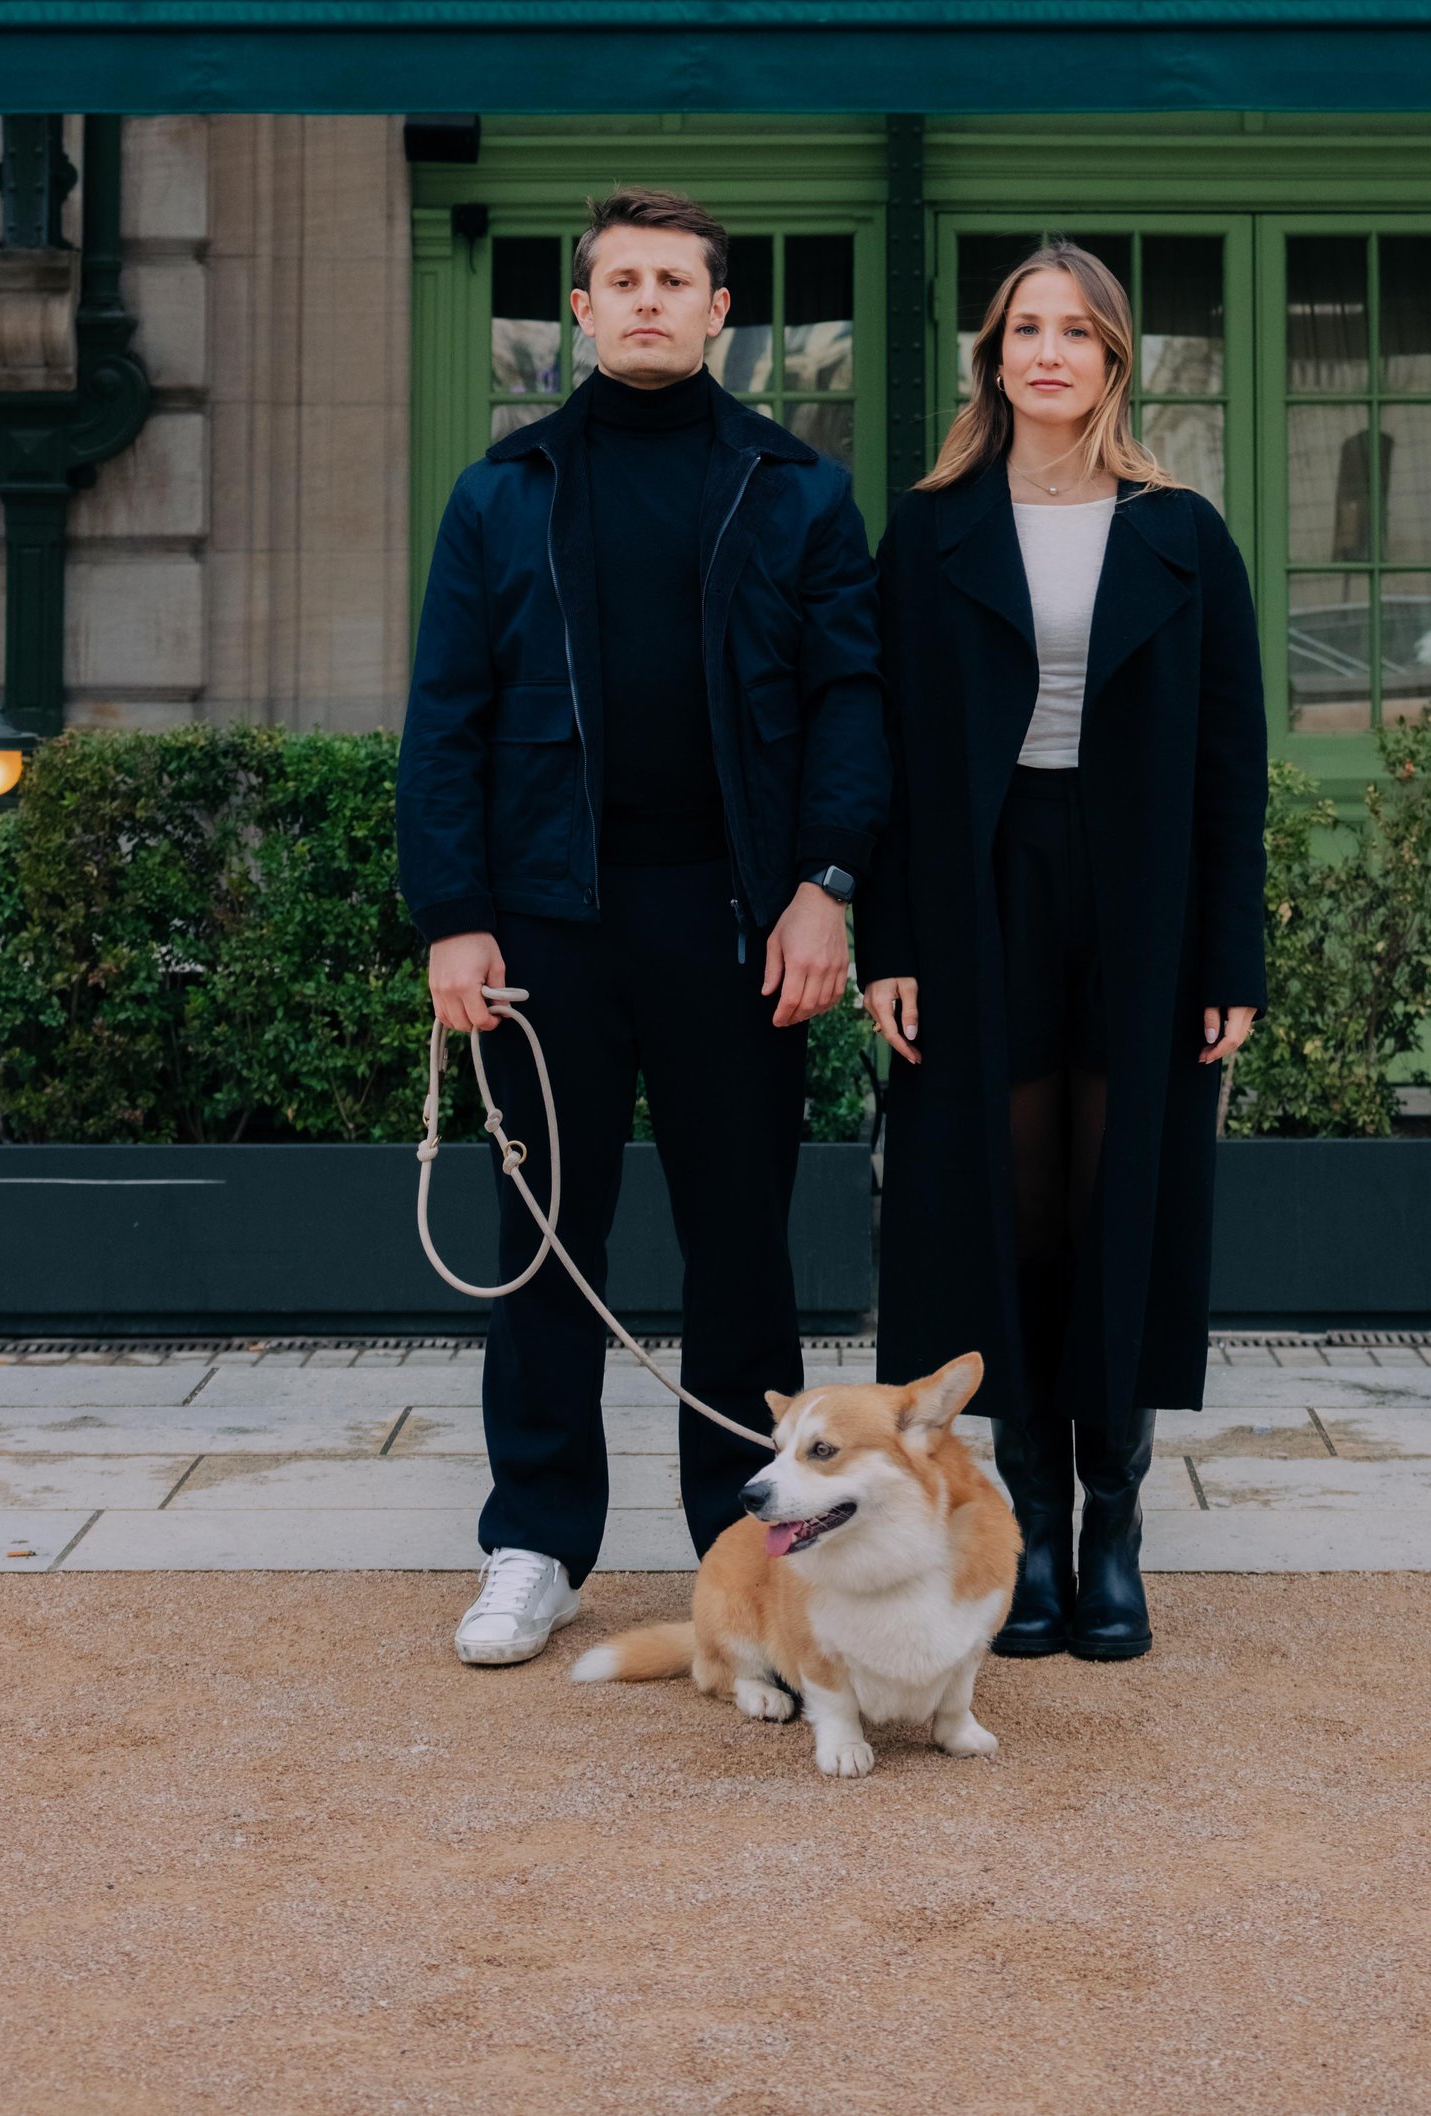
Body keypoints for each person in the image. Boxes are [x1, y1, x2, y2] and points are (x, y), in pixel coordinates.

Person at [398, 187, 888, 1667]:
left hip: (738, 924)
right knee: (548, 1243)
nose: (650, 302)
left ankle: (750, 1560)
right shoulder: (503, 493)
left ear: (720, 311)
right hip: (550, 926)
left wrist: (827, 889)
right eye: (624, 281)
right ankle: (536, 1542)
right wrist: (454, 919)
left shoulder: (798, 490)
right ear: (584, 310)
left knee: (741, 1249)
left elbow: (850, 704)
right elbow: (447, 718)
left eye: (677, 281)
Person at [859, 242, 1266, 1665]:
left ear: (1112, 361)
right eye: (1025, 328)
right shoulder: (930, 532)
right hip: (983, 884)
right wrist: (889, 939)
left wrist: (1231, 958)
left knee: (1121, 1203)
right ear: (994, 356)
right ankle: (1028, 1522)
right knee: (1008, 1207)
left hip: (1142, 888)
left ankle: (1117, 1527)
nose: (1048, 351)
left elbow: (1231, 764)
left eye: (1076, 331)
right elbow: (885, 757)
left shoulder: (1182, 533)